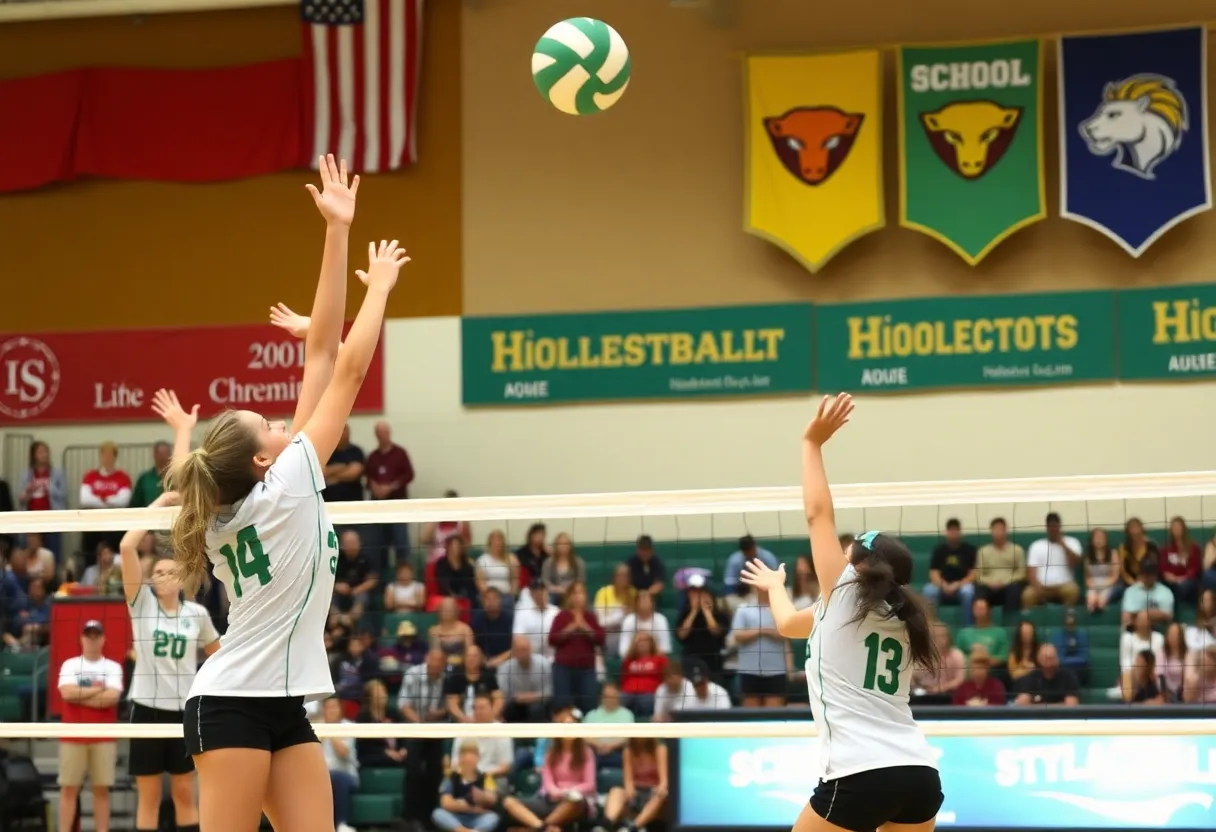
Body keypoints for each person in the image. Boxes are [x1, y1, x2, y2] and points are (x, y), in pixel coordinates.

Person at [167, 157, 408, 832]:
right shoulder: (289, 483)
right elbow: (346, 369)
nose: (283, 421)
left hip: (283, 701)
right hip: (231, 702)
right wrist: (380, 287)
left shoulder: (263, 488)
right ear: (265, 456)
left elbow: (322, 356)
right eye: (269, 424)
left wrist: (336, 231)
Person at [739, 393, 943, 832]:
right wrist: (776, 587)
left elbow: (817, 517)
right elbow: (791, 624)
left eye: (850, 551)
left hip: (859, 772)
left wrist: (811, 444)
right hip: (920, 776)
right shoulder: (904, 616)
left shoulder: (844, 591)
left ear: (860, 567)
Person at [119, 478, 221, 832]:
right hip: (146, 707)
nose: (162, 576)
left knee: (183, 790)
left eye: (169, 572)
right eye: (157, 572)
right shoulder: (141, 605)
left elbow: (218, 656)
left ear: (181, 579)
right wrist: (162, 501)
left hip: (184, 708)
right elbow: (126, 546)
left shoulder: (197, 615)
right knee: (148, 794)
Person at [57, 620, 125, 832]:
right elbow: (66, 694)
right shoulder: (70, 664)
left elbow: (112, 698)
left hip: (103, 735)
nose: (92, 639)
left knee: (101, 789)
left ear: (103, 639)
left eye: (97, 635)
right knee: (69, 789)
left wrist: (79, 696)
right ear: (82, 639)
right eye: (89, 635)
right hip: (73, 735)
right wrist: (98, 690)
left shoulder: (113, 667)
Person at [602, 738, 669, 832]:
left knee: (661, 795)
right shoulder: (628, 750)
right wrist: (630, 792)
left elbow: (664, 782)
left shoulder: (660, 749)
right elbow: (628, 781)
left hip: (654, 792)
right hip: (637, 792)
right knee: (616, 791)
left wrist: (658, 791)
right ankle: (608, 825)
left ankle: (633, 828)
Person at [432, 740, 500, 832]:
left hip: (477, 818)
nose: (468, 758)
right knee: (438, 814)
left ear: (478, 757)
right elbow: (446, 803)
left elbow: (492, 799)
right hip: (456, 817)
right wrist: (472, 808)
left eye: (472, 754)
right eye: (465, 754)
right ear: (460, 757)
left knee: (492, 817)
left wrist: (483, 797)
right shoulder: (451, 777)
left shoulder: (486, 778)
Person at [320, 697, 360, 832]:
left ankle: (342, 824)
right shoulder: (315, 728)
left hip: (347, 776)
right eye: (328, 707)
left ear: (340, 710)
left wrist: (330, 731)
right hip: (322, 777)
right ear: (323, 711)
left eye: (334, 707)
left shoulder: (348, 726)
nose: (331, 711)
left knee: (337, 777)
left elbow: (343, 753)